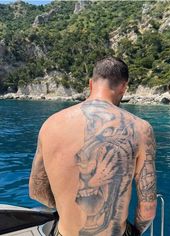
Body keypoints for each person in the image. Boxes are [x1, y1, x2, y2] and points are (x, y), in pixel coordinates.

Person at [29, 57, 157, 236]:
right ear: (123, 87)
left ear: (91, 84)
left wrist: (67, 208)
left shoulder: (50, 124)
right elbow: (148, 210)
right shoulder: (141, 129)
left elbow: (36, 191)